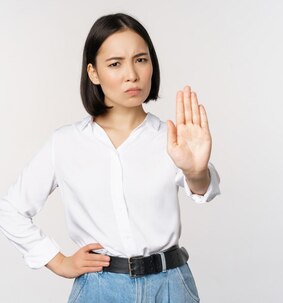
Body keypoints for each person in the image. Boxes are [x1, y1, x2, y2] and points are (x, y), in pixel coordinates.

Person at [0, 13, 221, 302]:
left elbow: (205, 188)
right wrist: (57, 260)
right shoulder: (65, 143)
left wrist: (196, 172)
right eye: (115, 63)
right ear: (93, 73)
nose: (132, 74)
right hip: (100, 290)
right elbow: (11, 210)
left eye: (141, 59)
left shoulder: (170, 138)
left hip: (170, 288)